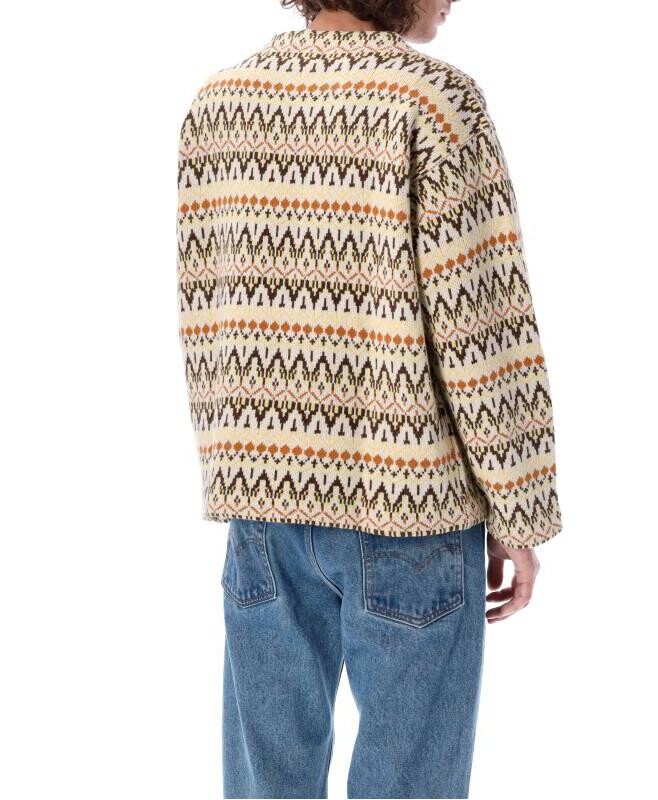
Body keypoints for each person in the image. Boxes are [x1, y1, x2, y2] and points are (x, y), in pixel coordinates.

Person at [176, 1, 562, 796]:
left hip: (263, 509)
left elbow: (204, 305)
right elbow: (483, 322)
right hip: (409, 508)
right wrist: (519, 508)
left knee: (267, 782)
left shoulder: (221, 100)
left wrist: (238, 461)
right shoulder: (433, 104)